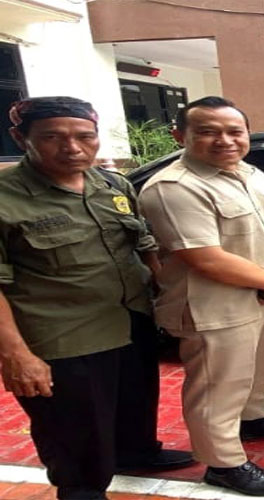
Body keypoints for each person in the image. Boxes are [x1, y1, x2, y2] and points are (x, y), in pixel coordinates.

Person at [0, 96, 193, 500]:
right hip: (64, 336)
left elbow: (142, 242)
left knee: (134, 401)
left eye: (84, 136)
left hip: (129, 318)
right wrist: (16, 355)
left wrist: (164, 294)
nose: (72, 148)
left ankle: (136, 453)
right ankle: (81, 489)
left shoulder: (112, 184)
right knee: (75, 428)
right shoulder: (7, 198)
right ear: (21, 138)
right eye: (52, 137)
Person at [139, 96, 264, 496]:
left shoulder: (250, 173)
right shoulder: (174, 187)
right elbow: (205, 258)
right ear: (180, 136)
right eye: (208, 132)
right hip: (212, 305)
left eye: (235, 131)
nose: (225, 140)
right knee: (217, 386)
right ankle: (222, 463)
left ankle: (252, 419)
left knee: (257, 369)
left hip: (263, 295)